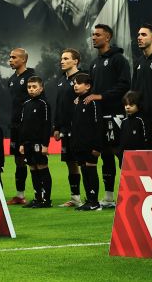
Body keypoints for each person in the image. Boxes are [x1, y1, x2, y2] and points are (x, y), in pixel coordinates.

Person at [85, 24, 130, 208]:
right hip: (100, 116)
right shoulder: (94, 63)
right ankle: (109, 197)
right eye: (93, 35)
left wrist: (102, 96)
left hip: (116, 114)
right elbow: (91, 89)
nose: (94, 37)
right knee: (105, 155)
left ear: (108, 37)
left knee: (120, 154)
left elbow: (125, 85)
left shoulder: (119, 60)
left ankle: (129, 195)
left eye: (98, 35)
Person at [54, 48, 84, 207]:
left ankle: (91, 198)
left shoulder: (82, 78)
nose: (62, 61)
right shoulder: (61, 80)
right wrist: (57, 127)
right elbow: (59, 105)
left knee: (84, 163)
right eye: (61, 58)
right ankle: (75, 198)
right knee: (70, 163)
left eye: (66, 58)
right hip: (65, 129)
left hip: (79, 128)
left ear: (75, 61)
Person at [69, 72, 103, 211]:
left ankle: (94, 201)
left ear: (88, 86)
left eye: (79, 83)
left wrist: (97, 147)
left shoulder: (93, 102)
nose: (75, 86)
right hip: (80, 145)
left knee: (90, 169)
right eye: (74, 83)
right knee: (84, 170)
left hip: (91, 146)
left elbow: (98, 125)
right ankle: (89, 200)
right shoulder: (77, 102)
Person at [7, 48, 36, 205]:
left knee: (33, 160)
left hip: (28, 126)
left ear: (23, 59)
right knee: (18, 160)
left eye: (14, 57)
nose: (10, 60)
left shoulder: (31, 77)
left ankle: (40, 195)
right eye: (10, 57)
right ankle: (20, 195)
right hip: (15, 126)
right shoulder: (12, 79)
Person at [19, 76, 53, 208]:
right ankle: (37, 198)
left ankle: (46, 200)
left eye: (34, 87)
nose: (31, 89)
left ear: (41, 88)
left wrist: (45, 145)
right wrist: (22, 143)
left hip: (39, 143)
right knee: (32, 168)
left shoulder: (44, 104)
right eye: (29, 87)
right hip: (27, 143)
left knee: (41, 167)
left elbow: (47, 125)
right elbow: (23, 125)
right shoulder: (26, 104)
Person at [118, 91, 149, 160]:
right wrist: (120, 155)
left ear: (138, 105)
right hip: (126, 157)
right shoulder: (124, 121)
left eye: (131, 105)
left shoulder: (141, 120)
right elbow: (121, 141)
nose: (127, 107)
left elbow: (146, 140)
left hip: (140, 157)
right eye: (126, 105)